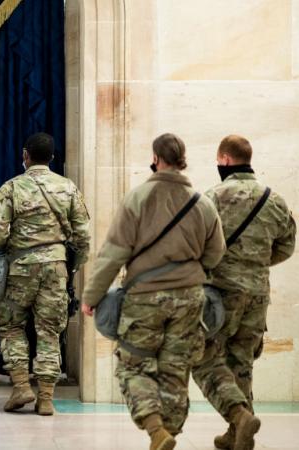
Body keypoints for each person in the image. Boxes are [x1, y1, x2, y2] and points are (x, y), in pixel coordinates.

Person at [81, 133, 225, 450]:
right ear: (182, 159)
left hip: (144, 298)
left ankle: (155, 429)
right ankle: (170, 434)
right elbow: (216, 253)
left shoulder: (137, 198)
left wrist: (91, 297)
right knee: (176, 369)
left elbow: (113, 253)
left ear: (156, 158)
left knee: (133, 366)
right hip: (190, 298)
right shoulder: (202, 203)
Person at [192, 135, 296, 450]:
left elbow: (196, 244)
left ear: (224, 160)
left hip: (221, 294)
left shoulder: (212, 197)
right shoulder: (274, 199)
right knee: (241, 362)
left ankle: (238, 417)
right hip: (258, 293)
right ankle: (239, 433)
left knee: (203, 357)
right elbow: (286, 247)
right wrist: (255, 265)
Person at [0, 132, 90, 415]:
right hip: (56, 268)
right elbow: (83, 235)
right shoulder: (68, 188)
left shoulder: (11, 188)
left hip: (19, 268)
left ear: (25, 156)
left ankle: (21, 386)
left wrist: (10, 246)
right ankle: (45, 398)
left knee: (11, 325)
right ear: (53, 157)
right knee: (49, 331)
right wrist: (73, 264)